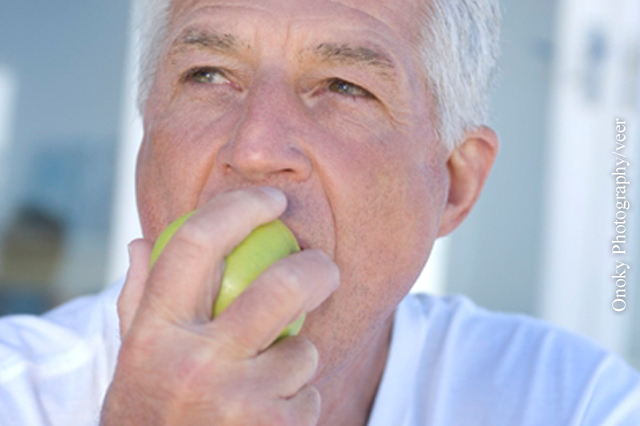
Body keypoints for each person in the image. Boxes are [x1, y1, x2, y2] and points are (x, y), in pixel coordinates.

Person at [1, 0, 639, 425]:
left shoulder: (569, 401)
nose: (253, 149)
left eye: (344, 87)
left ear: (453, 185)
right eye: (208, 75)